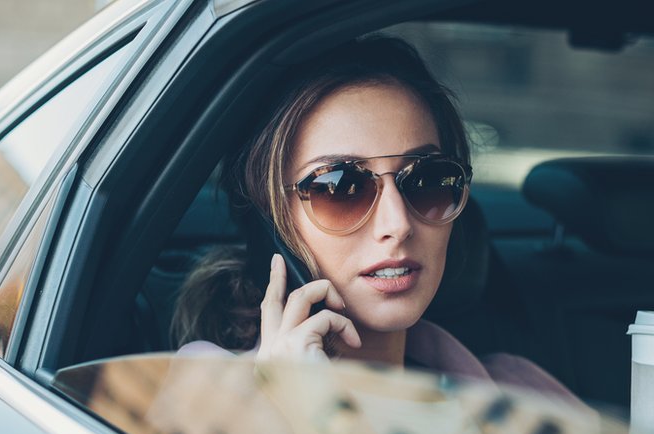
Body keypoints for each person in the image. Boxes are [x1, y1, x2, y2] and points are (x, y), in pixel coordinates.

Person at [172, 35, 577, 400]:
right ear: (271, 222)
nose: (398, 224)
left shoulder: (522, 393)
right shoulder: (210, 390)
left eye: (428, 180)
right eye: (339, 187)